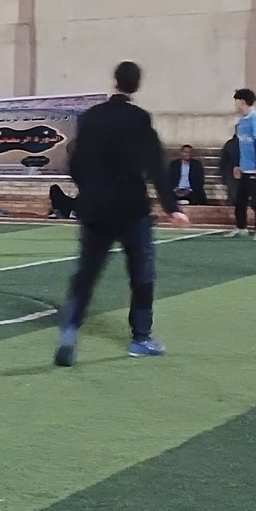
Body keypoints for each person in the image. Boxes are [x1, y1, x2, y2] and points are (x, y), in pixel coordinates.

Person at [53, 61, 189, 367]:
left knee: (86, 274)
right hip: (131, 208)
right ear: (136, 86)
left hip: (95, 209)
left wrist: (88, 190)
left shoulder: (90, 117)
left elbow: (75, 161)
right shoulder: (139, 119)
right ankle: (141, 338)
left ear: (114, 81)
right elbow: (155, 165)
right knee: (141, 274)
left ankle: (69, 333)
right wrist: (172, 207)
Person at [229, 87, 256, 241]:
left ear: (243, 102)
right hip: (244, 167)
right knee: (240, 200)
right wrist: (237, 164)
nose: (235, 105)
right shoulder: (241, 121)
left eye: (236, 102)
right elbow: (240, 145)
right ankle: (241, 227)